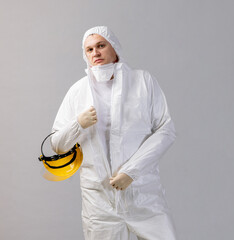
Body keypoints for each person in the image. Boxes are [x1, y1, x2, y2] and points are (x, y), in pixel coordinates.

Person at [50, 26, 177, 240]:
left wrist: (132, 172)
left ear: (114, 47)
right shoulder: (77, 91)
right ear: (85, 55)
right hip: (99, 202)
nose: (96, 53)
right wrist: (78, 124)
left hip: (142, 193)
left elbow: (166, 130)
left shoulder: (142, 82)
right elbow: (57, 144)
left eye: (101, 45)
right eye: (89, 49)